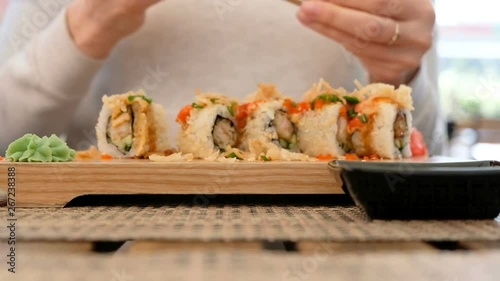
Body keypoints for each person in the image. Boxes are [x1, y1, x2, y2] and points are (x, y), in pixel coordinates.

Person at [0, 0, 446, 155]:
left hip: (346, 252)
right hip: (87, 250)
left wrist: (401, 74)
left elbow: (431, 152)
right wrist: (86, 26)